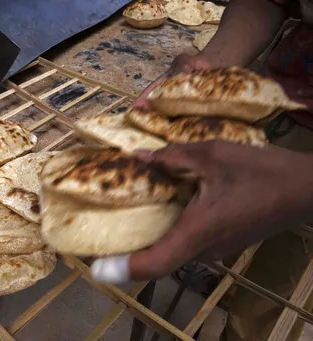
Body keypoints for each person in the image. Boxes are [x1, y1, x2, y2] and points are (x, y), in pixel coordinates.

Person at [91, 0, 313, 339]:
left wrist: (304, 183)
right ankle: (229, 282)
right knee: (231, 236)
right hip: (270, 102)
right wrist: (211, 65)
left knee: (272, 292)